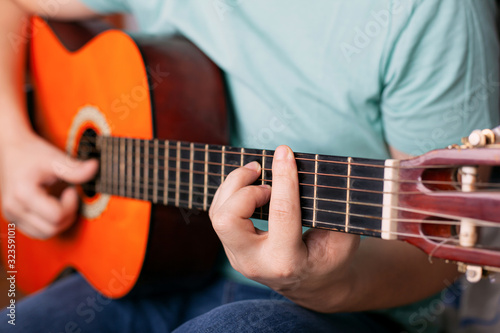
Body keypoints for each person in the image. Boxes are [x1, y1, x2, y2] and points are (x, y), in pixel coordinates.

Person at [0, 0, 498, 332]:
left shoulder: (430, 13)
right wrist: (11, 142)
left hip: (347, 306)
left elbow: (443, 252)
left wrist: (321, 281)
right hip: (153, 268)